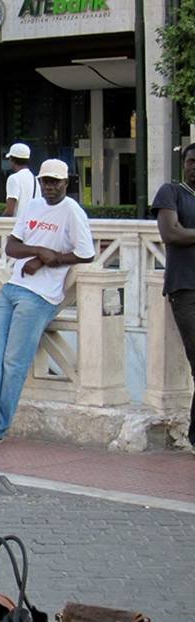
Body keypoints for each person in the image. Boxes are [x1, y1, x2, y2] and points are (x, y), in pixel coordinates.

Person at [0, 159, 95, 449]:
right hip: (12, 288)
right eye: (46, 181)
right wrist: (39, 251)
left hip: (41, 296)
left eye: (55, 181)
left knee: (14, 362)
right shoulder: (32, 206)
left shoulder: (72, 211)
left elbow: (86, 254)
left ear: (66, 182)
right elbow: (11, 246)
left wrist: (50, 259)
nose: (50, 186)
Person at [151, 142, 195, 453]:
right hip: (185, 288)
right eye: (192, 161)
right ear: (184, 163)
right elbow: (171, 233)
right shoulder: (171, 192)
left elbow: (185, 232)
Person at [3, 142, 40, 218]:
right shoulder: (35, 179)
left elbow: (10, 211)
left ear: (12, 160)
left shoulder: (14, 178)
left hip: (18, 225)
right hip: (32, 225)